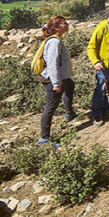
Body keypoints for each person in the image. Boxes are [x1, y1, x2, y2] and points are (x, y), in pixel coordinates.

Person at [38, 16, 76, 146]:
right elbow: (52, 64)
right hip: (52, 79)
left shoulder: (56, 40)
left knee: (70, 85)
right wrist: (56, 84)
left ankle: (69, 113)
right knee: (50, 107)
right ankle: (44, 139)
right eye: (65, 23)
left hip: (61, 77)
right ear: (57, 27)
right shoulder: (55, 42)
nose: (68, 24)